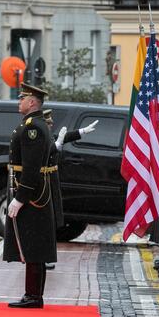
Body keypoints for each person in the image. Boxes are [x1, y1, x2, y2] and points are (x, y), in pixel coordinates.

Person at [4, 83, 56, 309]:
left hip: (33, 195)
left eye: (22, 98)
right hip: (35, 192)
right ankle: (33, 294)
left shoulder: (32, 128)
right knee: (34, 243)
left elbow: (31, 167)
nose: (19, 102)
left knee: (32, 244)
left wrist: (21, 197)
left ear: (32, 102)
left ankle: (33, 295)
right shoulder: (33, 124)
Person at [43, 109, 98, 269]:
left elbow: (62, 138)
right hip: (44, 183)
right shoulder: (40, 138)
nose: (51, 124)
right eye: (48, 122)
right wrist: (57, 144)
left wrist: (82, 131)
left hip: (52, 181)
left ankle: (47, 256)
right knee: (46, 221)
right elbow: (49, 148)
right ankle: (43, 256)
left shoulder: (47, 136)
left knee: (52, 220)